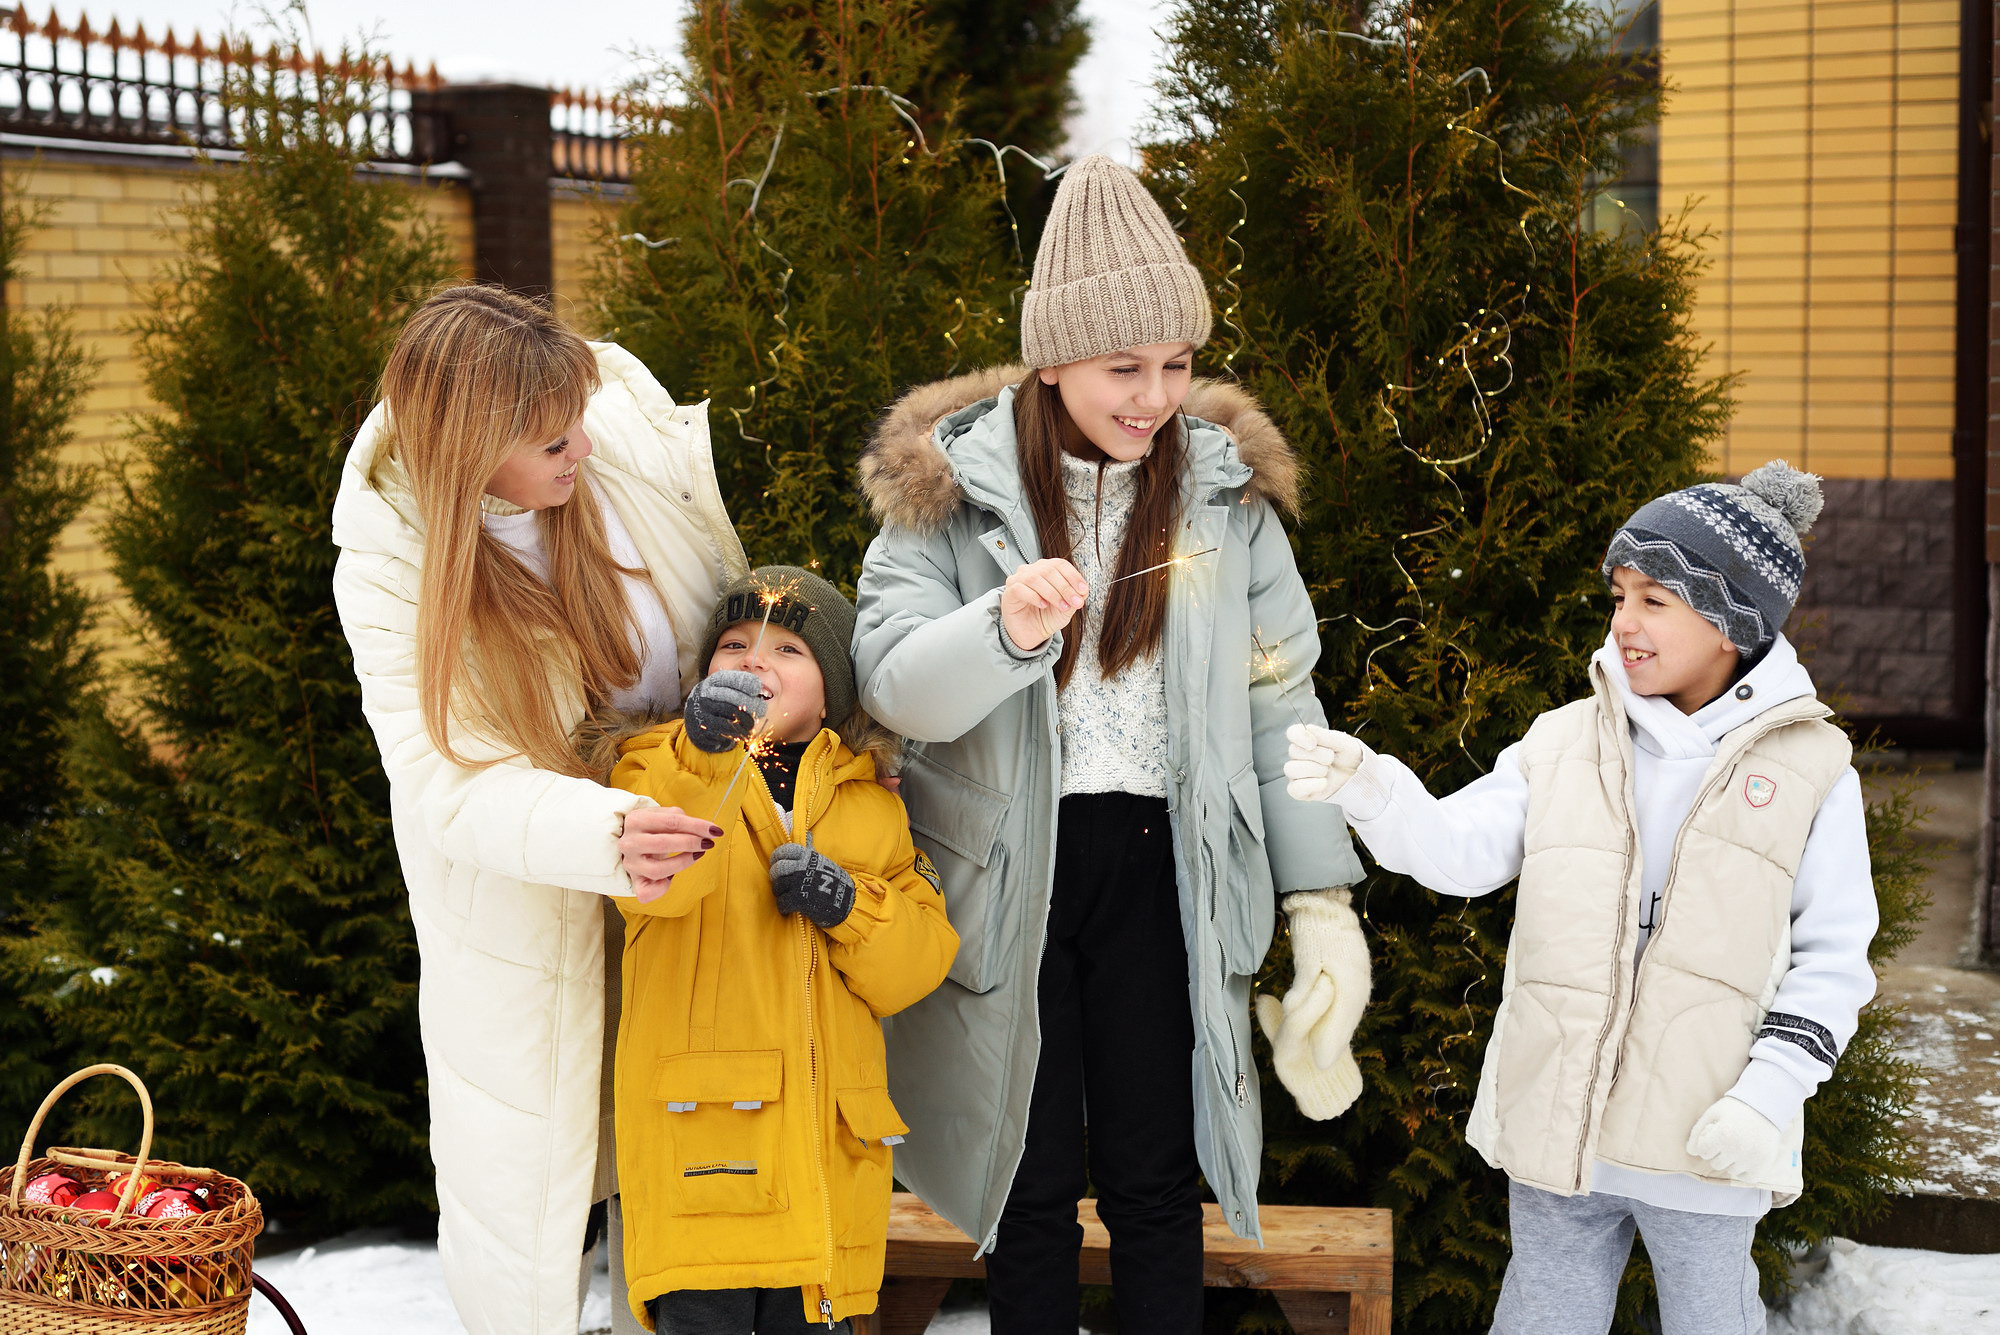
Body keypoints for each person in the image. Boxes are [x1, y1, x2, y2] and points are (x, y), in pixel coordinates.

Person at [850, 156, 1371, 1335]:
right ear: (1049, 360)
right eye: (1120, 368)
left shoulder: (1223, 502)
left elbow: (1278, 701)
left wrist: (1320, 904)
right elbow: (891, 682)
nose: (1152, 396)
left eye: (1176, 365)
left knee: (1153, 1181)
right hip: (1007, 877)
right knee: (1023, 1187)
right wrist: (1001, 626)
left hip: (1167, 870)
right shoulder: (950, 498)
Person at [1285, 463, 1879, 1335]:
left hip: (1706, 1134)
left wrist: (1770, 1093)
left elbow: (1834, 955)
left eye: (1655, 600)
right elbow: (1460, 849)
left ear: (1732, 622)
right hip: (1564, 1132)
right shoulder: (1564, 742)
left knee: (1714, 1318)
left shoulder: (1812, 772)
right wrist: (1377, 791)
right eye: (1619, 595)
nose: (1623, 622)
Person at [332, 284, 747, 1335]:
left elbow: (733, 627)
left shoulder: (599, 438)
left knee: (702, 1172)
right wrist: (604, 832)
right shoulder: (391, 559)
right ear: (470, 446)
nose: (583, 450)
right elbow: (443, 782)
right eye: (548, 439)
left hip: (694, 877)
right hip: (522, 906)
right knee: (530, 1199)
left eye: (579, 417)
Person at [599, 567, 958, 1333]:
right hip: (702, 1160)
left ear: (830, 690)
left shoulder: (872, 802)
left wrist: (850, 905)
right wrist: (701, 752)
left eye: (788, 647)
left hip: (827, 1175)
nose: (755, 660)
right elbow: (649, 885)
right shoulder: (655, 766)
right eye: (734, 644)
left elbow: (920, 961)